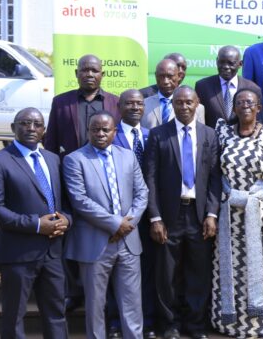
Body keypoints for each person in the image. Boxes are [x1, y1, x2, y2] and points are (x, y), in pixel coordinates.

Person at [43, 54, 120, 312]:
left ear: (102, 74)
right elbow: (51, 145)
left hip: (105, 183)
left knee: (102, 236)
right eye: (84, 70)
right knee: (69, 236)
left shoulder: (115, 103)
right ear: (76, 74)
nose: (89, 74)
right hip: (68, 181)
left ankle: (103, 297)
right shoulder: (61, 103)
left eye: (94, 70)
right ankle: (73, 292)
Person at [209, 87, 263, 338]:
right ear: (233, 108)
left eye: (250, 102)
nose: (245, 105)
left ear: (259, 108)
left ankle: (262, 325)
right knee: (230, 267)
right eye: (240, 102)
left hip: (262, 212)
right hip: (229, 214)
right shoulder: (222, 132)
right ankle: (230, 322)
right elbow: (216, 172)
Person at [144, 86, 222, 339]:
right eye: (179, 103)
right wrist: (155, 217)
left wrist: (212, 214)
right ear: (173, 105)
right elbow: (151, 179)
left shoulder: (209, 135)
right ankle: (171, 325)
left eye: (189, 102)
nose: (185, 107)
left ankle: (195, 325)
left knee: (198, 273)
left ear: (197, 103)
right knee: (167, 275)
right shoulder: (158, 135)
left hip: (199, 216)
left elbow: (214, 179)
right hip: (168, 216)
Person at [63, 111, 148, 339]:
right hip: (95, 244)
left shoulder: (128, 156)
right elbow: (79, 200)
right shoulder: (74, 160)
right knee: (95, 306)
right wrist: (115, 224)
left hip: (129, 243)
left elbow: (142, 193)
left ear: (115, 131)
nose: (100, 134)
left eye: (105, 130)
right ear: (88, 131)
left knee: (132, 304)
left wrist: (127, 225)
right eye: (95, 130)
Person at [0, 108, 71, 339]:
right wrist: (37, 225)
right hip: (18, 254)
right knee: (14, 316)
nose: (31, 128)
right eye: (25, 123)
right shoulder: (0, 161)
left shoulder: (53, 159)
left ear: (44, 131)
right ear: (13, 128)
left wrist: (66, 220)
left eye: (37, 124)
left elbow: (66, 202)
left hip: (52, 253)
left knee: (56, 314)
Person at [106, 89, 156, 339]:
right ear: (119, 107)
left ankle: (146, 321)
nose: (135, 107)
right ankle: (115, 323)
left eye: (139, 103)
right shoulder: (109, 136)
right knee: (117, 272)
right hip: (120, 220)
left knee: (146, 272)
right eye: (129, 103)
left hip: (149, 217)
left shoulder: (151, 135)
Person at [195, 45, 261, 128]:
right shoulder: (202, 86)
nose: (226, 67)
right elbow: (198, 120)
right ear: (216, 61)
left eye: (231, 63)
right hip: (212, 140)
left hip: (241, 140)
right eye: (222, 62)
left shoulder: (253, 89)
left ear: (240, 64)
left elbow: (259, 121)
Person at [142, 60, 205, 129]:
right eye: (161, 76)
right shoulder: (143, 105)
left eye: (170, 76)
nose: (165, 81)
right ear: (155, 76)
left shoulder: (197, 108)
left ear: (179, 76)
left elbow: (200, 135)